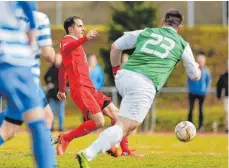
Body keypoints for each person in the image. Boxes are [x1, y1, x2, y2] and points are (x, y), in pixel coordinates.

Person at [76, 9, 201, 167]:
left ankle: (115, 145)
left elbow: (115, 47)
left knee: (124, 124)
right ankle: (88, 153)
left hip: (125, 75)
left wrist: (116, 71)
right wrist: (197, 69)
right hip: (144, 83)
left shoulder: (146, 32)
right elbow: (195, 75)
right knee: (124, 126)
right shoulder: (182, 44)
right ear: (180, 28)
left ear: (162, 22)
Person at [55, 16, 133, 157]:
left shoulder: (76, 45)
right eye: (80, 26)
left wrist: (61, 89)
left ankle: (125, 151)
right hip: (80, 88)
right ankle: (66, 138)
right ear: (70, 29)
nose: (83, 29)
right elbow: (66, 51)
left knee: (118, 115)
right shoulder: (67, 40)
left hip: (90, 88)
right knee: (99, 122)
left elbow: (63, 68)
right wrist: (86, 38)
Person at [0, 2, 55, 168]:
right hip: (18, 69)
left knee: (9, 127)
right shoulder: (39, 17)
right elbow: (48, 54)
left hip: (17, 69)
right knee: (41, 120)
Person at [187, 54, 211, 131]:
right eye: (199, 61)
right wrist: (189, 89)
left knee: (201, 110)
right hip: (192, 92)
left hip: (202, 93)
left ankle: (201, 126)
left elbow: (208, 81)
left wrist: (206, 90)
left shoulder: (206, 71)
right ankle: (189, 125)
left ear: (204, 62)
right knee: (191, 109)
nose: (200, 62)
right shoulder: (193, 69)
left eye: (201, 61)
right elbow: (188, 80)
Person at [44, 53, 65, 132]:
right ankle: (51, 127)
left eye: (59, 58)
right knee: (51, 111)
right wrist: (49, 83)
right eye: (56, 58)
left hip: (61, 94)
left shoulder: (64, 68)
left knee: (60, 112)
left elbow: (68, 79)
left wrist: (65, 85)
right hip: (52, 94)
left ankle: (61, 127)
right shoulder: (51, 68)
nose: (57, 60)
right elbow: (45, 77)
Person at [216, 61, 228, 133]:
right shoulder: (223, 76)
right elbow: (219, 86)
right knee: (227, 112)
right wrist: (219, 95)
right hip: (227, 97)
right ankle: (227, 128)